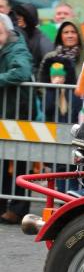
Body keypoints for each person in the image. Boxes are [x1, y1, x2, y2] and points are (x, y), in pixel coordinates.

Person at [0, 13, 34, 224]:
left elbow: (21, 72)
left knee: (18, 162)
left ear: (7, 30)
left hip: (17, 113)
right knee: (3, 163)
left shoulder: (17, 48)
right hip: (4, 113)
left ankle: (19, 209)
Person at [11, 3, 53, 72]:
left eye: (23, 15)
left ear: (31, 17)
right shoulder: (14, 34)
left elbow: (48, 65)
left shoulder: (42, 39)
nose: (18, 17)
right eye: (18, 14)